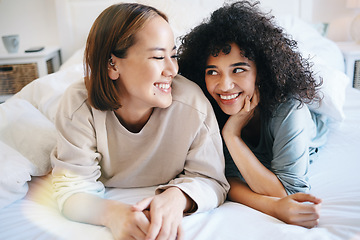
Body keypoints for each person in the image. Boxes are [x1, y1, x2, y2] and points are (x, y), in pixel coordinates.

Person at [50, 3, 229, 240]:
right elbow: (71, 188)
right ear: (112, 64)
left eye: (173, 55)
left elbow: (212, 179)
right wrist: (113, 214)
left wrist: (177, 197)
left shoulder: (192, 105)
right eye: (157, 56)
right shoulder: (78, 106)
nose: (172, 69)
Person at [178, 1, 328, 229]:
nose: (225, 85)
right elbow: (225, 180)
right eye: (213, 72)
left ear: (262, 71)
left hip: (313, 123)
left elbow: (288, 193)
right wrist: (231, 132)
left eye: (238, 69)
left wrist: (232, 137)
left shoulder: (290, 110)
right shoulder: (208, 110)